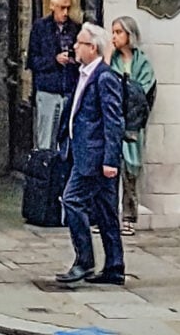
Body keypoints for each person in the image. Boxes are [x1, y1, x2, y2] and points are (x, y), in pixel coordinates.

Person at [55, 21, 126, 290]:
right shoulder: (84, 73)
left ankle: (84, 260)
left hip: (94, 158)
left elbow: (113, 121)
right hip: (83, 152)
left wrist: (110, 160)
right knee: (106, 212)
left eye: (80, 43)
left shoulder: (105, 78)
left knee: (72, 200)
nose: (75, 46)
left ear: (92, 47)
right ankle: (115, 267)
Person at [111, 15, 156, 229]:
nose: (115, 37)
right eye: (113, 32)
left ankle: (129, 217)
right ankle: (107, 216)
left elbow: (144, 92)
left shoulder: (142, 62)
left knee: (130, 171)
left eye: (119, 32)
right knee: (110, 169)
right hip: (113, 120)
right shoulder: (112, 60)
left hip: (132, 123)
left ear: (130, 35)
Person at [28, 0, 78, 150]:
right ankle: (44, 173)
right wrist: (54, 60)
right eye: (62, 8)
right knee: (46, 141)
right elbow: (32, 61)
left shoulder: (75, 28)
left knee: (66, 142)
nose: (65, 13)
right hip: (48, 90)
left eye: (68, 8)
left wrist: (74, 60)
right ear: (53, 6)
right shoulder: (41, 27)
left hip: (68, 90)